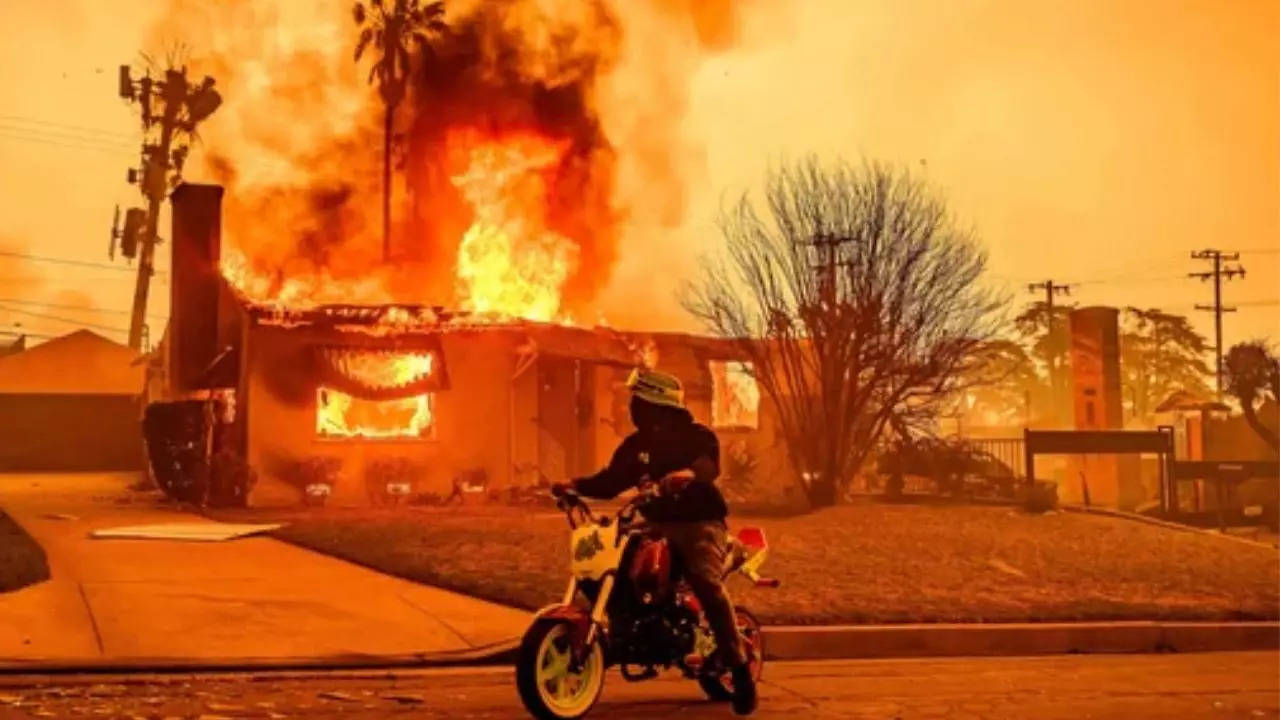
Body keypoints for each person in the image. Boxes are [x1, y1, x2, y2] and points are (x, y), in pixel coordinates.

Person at [553, 367, 758, 716]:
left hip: (699, 523)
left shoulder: (696, 436)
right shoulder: (636, 446)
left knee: (706, 584)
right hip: (655, 523)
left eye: (637, 400)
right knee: (617, 565)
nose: (631, 406)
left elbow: (709, 465)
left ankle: (740, 671)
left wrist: (689, 474)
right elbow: (610, 481)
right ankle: (629, 630)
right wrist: (574, 485)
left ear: (655, 403)